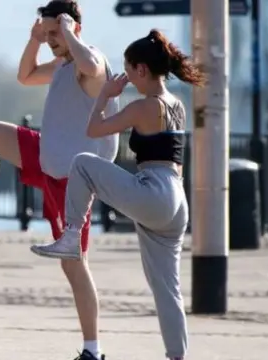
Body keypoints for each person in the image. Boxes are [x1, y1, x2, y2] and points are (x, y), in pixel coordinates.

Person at [0, 1, 119, 359]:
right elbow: (26, 75)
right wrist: (34, 39)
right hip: (47, 154)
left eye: (54, 33)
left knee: (73, 263)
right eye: (47, 34)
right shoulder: (64, 63)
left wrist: (67, 31)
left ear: (73, 28)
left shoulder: (89, 61)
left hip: (72, 178)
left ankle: (93, 351)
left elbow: (91, 65)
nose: (51, 40)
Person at [31, 29, 205, 360]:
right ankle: (177, 357)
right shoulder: (176, 105)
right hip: (176, 201)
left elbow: (94, 129)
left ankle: (71, 235)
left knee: (82, 163)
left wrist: (106, 95)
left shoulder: (144, 107)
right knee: (168, 290)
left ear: (141, 69)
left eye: (127, 71)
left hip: (153, 191)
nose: (124, 78)